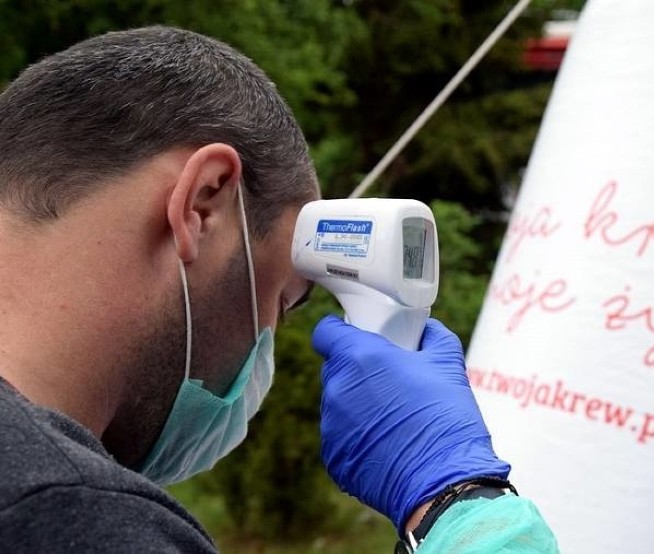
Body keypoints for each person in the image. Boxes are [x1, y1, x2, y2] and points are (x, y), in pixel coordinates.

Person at [0, 27, 559, 553]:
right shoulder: (69, 514)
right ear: (203, 203)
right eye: (283, 302)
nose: (262, 348)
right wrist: (459, 504)